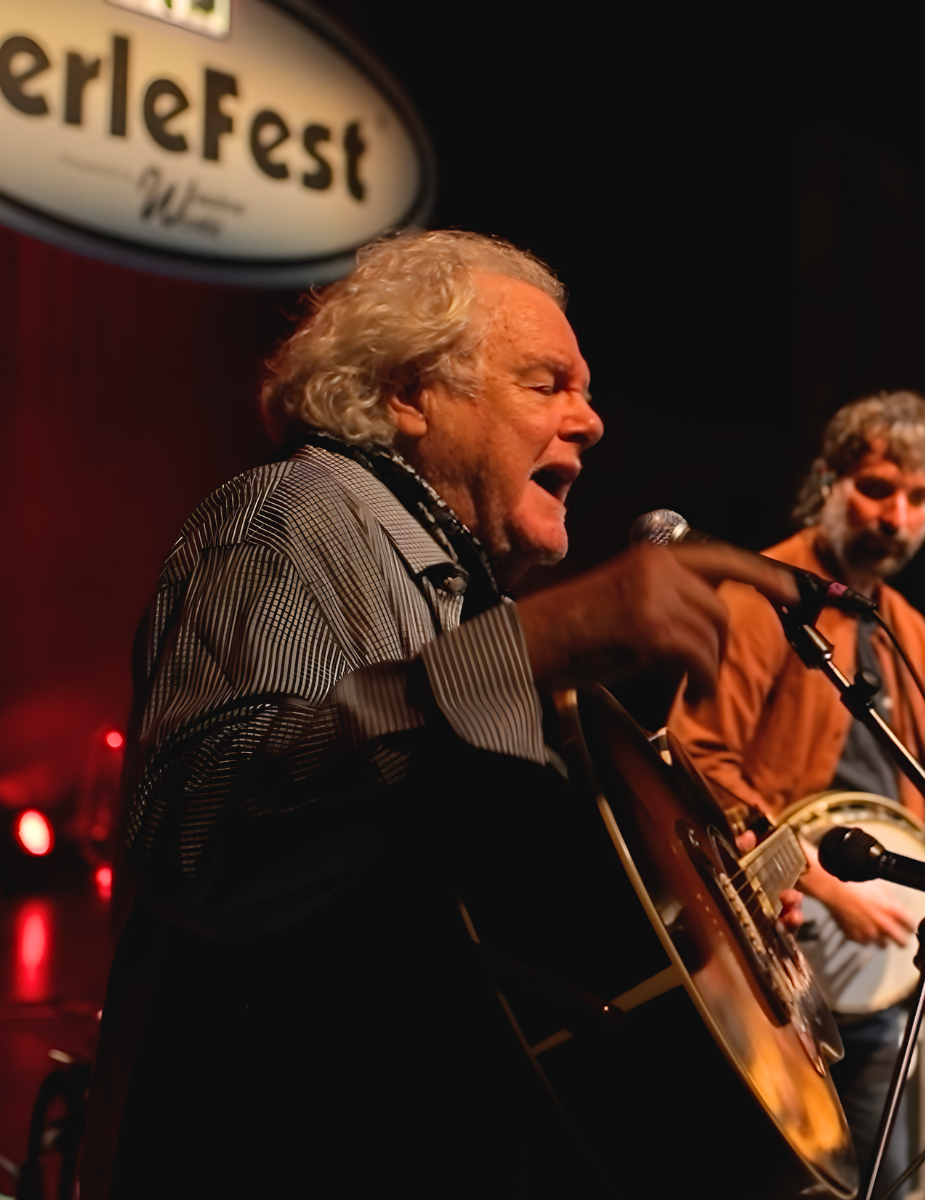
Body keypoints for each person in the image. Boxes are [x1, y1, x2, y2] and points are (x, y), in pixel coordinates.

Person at [79, 230, 800, 1199]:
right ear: (409, 393)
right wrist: (538, 643)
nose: (591, 423)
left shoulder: (465, 595)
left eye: (586, 392)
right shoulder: (296, 512)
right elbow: (196, 838)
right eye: (547, 384)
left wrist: (708, 911)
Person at [669, 390, 925, 1191]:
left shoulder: (906, 627)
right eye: (877, 489)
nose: (897, 517)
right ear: (828, 481)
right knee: (775, 1172)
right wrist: (821, 883)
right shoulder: (759, 595)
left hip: (885, 964)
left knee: (884, 1180)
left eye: (921, 501)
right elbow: (697, 755)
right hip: (777, 939)